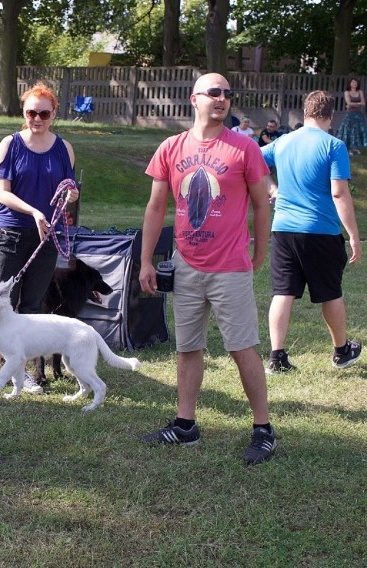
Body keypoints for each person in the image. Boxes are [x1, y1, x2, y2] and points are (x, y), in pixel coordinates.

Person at [138, 73, 277, 465]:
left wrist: (260, 251)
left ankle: (263, 429)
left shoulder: (244, 147)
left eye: (227, 94)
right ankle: (185, 425)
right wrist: (147, 259)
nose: (221, 99)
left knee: (241, 346)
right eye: (213, 93)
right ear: (194, 98)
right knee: (188, 347)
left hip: (230, 266)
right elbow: (155, 207)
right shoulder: (171, 146)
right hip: (186, 265)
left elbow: (262, 204)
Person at [0, 82, 79, 393]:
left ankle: (26, 370)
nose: (37, 118)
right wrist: (34, 212)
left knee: (32, 304)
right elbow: (2, 194)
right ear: (24, 112)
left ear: (54, 113)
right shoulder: (11, 144)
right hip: (13, 233)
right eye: (31, 112)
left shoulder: (64, 148)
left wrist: (70, 195)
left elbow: (67, 190)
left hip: (46, 237)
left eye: (44, 113)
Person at [262, 90, 362, 374]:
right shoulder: (334, 145)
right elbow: (339, 193)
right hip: (321, 231)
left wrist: (273, 189)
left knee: (283, 292)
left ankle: (276, 357)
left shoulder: (282, 142)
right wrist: (353, 234)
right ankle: (342, 351)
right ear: (330, 116)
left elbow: (252, 162)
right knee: (330, 292)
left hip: (282, 229)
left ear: (305, 113)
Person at [336, 78, 367, 155]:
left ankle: (355, 148)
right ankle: (349, 149)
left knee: (357, 131)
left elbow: (363, 103)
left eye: (356, 82)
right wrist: (358, 104)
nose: (354, 84)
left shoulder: (360, 92)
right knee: (348, 131)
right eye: (353, 82)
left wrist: (353, 104)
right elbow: (348, 103)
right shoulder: (347, 92)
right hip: (350, 114)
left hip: (358, 114)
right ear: (350, 84)